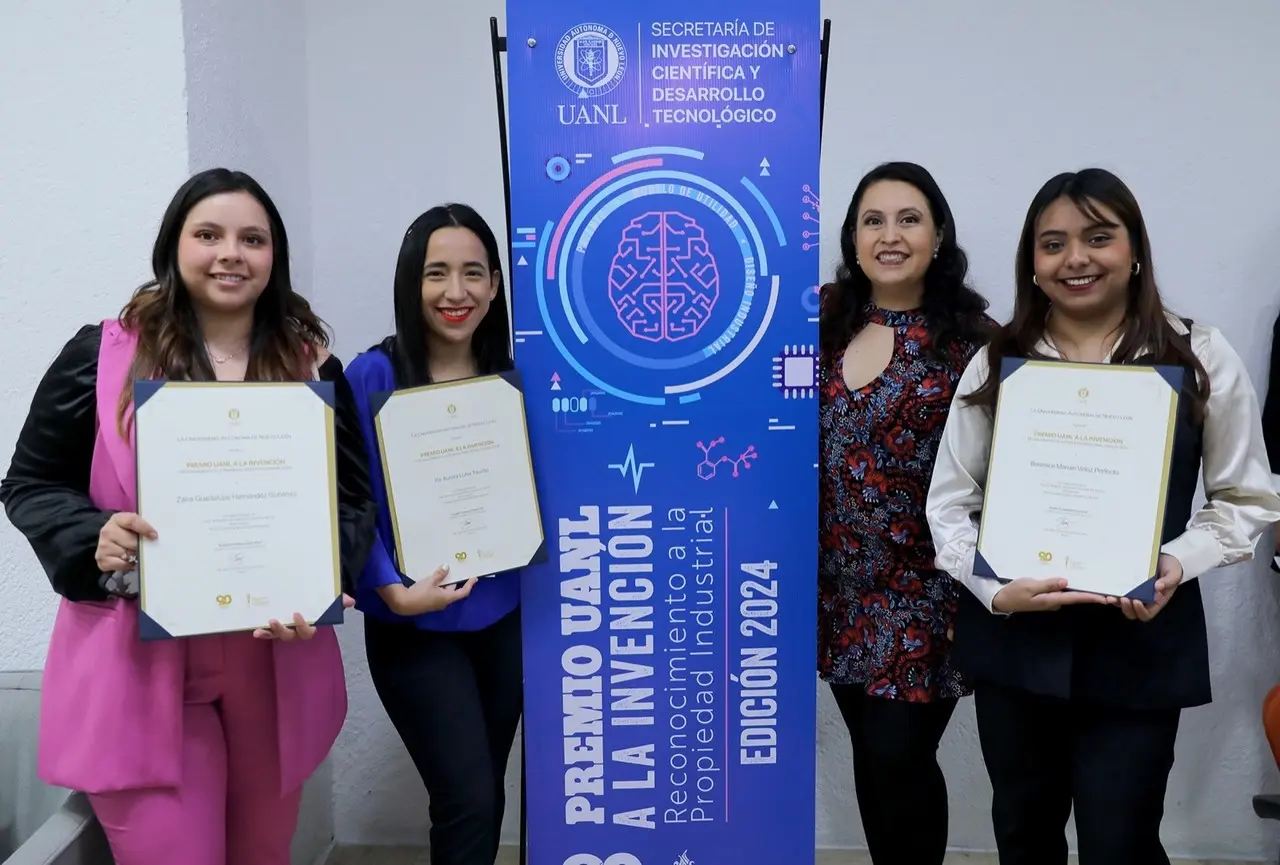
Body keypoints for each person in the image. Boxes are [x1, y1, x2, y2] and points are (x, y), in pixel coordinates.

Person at [0, 168, 378, 864]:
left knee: (263, 854)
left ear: (275, 257)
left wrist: (328, 575)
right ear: (175, 245)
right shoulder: (101, 353)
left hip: (273, 658)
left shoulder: (313, 367)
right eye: (209, 234)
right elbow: (29, 482)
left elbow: (353, 499)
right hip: (137, 664)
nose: (230, 252)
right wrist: (94, 536)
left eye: (252, 238)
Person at [926, 167, 1280, 864]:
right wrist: (994, 589)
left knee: (1121, 839)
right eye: (1052, 243)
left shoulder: (1197, 354)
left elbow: (1248, 496)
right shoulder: (996, 363)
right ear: (1032, 261)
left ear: (1135, 248)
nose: (1076, 258)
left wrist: (1178, 561)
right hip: (1018, 639)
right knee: (1024, 834)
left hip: (1141, 640)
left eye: (1098, 237)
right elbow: (948, 505)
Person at [817, 161, 995, 865]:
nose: (890, 235)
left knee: (898, 755)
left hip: (927, 590)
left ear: (939, 234)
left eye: (908, 218)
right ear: (853, 238)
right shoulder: (824, 319)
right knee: (873, 757)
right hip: (836, 587)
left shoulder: (974, 339)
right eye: (873, 220)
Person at [345, 203, 521, 865]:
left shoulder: (515, 377)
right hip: (411, 622)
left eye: (474, 273)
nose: (456, 292)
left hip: (503, 615)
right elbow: (348, 500)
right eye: (436, 273)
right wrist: (388, 588)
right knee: (468, 798)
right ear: (408, 284)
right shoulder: (371, 375)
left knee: (484, 796)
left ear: (496, 285)